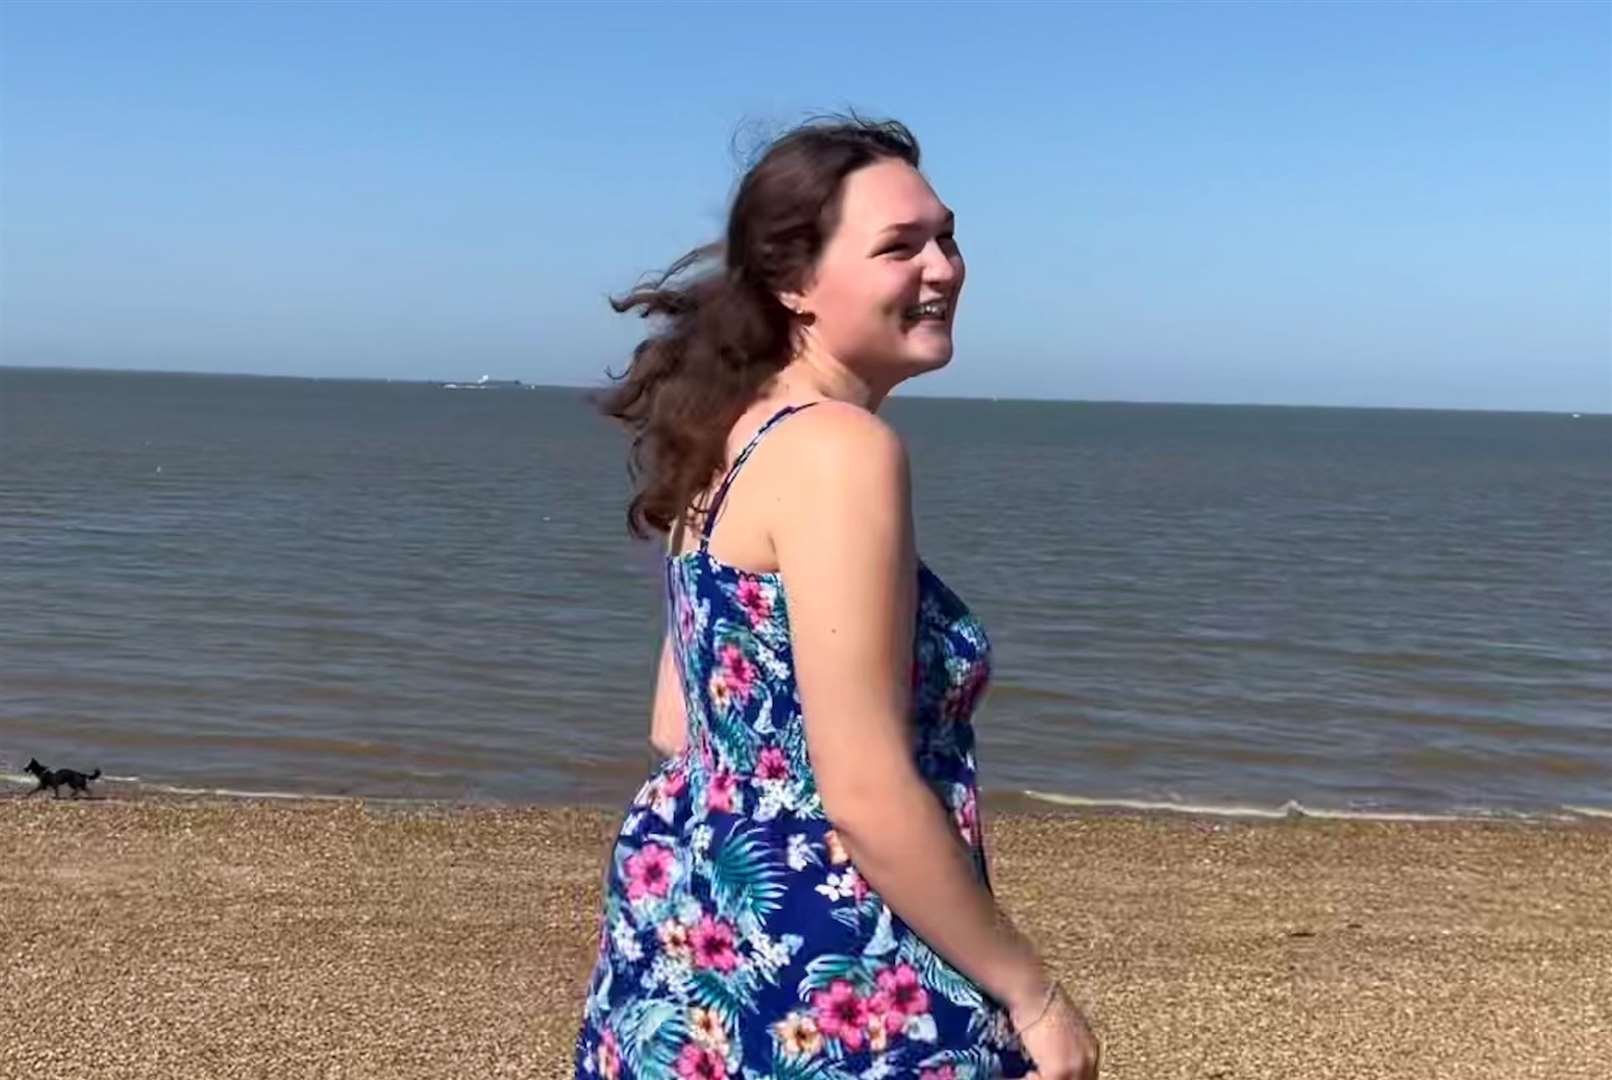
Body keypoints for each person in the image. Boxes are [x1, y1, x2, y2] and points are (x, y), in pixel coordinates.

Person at [574, 114, 1100, 1080]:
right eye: (900, 246)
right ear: (793, 284)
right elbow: (859, 785)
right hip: (839, 972)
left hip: (696, 946)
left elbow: (677, 726)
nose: (942, 267)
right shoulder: (841, 451)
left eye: (945, 235)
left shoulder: (733, 433)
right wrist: (1034, 993)